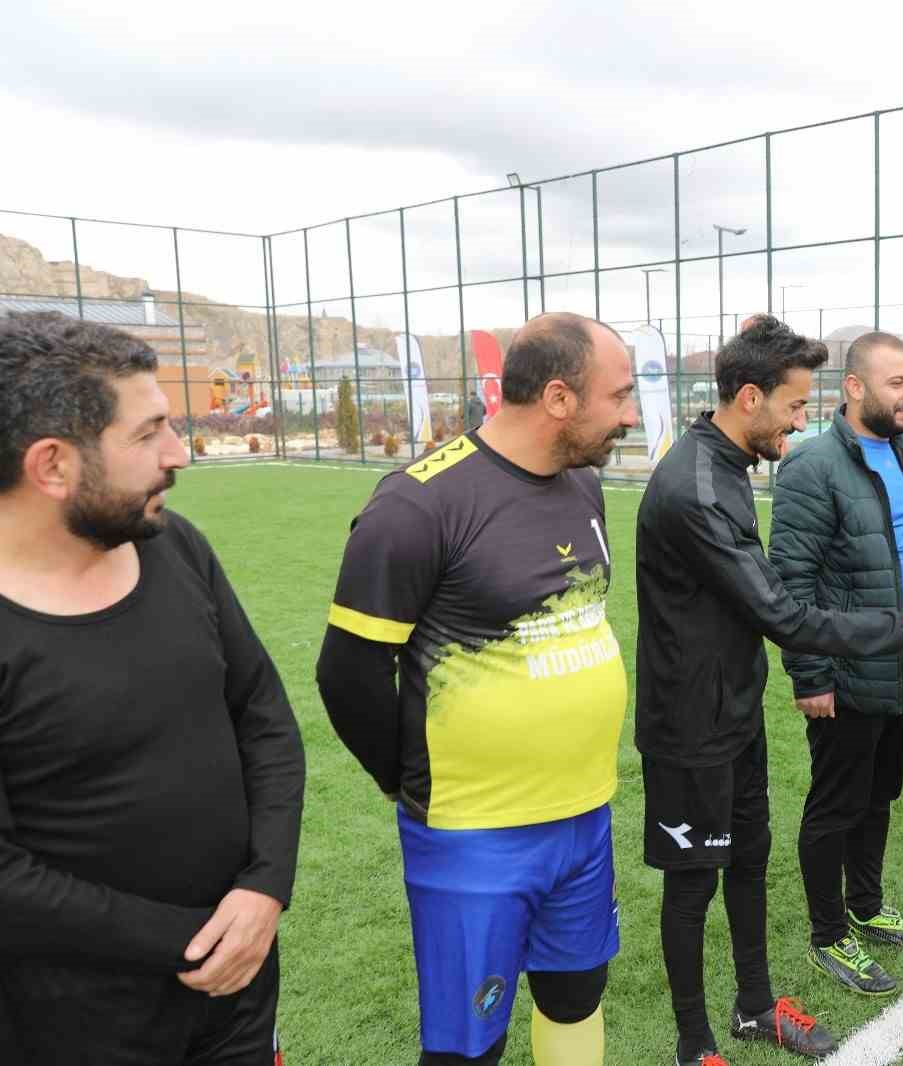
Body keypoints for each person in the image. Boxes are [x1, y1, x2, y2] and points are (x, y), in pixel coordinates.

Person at [316, 312, 639, 1066]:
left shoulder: (583, 486)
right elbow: (347, 673)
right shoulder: (418, 504)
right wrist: (406, 777)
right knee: (468, 1044)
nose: (630, 414)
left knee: (576, 995)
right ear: (559, 398)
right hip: (473, 834)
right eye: (619, 396)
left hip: (584, 816)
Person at [636, 315, 903, 1065]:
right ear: (750, 397)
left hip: (734, 713)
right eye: (795, 405)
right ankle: (694, 1045)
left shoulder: (729, 467)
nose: (801, 420)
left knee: (748, 859)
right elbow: (780, 611)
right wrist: (899, 628)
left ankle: (752, 1007)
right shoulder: (699, 488)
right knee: (692, 884)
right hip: (689, 728)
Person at [0, 311, 305, 1065]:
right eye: (148, 434)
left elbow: (263, 716)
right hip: (76, 1025)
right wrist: (198, 940)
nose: (179, 454)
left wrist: (264, 890)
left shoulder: (176, 547)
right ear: (52, 466)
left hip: (237, 991)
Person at [771, 331, 903, 996]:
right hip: (843, 674)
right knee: (835, 804)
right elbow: (792, 584)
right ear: (853, 387)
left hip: (900, 662)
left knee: (880, 797)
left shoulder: (902, 452)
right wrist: (811, 676)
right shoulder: (813, 467)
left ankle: (868, 907)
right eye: (897, 382)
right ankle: (828, 933)